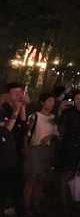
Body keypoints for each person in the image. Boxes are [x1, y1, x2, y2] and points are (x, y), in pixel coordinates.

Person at [23, 92, 59, 215]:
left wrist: (50, 136)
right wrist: (26, 149)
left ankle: (36, 204)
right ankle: (27, 207)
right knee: (31, 179)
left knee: (41, 180)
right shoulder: (35, 116)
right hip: (35, 149)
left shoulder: (54, 118)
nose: (52, 104)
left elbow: (57, 134)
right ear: (42, 102)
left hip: (47, 151)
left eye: (53, 101)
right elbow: (27, 133)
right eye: (49, 101)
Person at [0, 83, 29, 215]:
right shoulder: (4, 108)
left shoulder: (17, 106)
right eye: (15, 93)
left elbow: (23, 127)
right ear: (8, 95)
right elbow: (5, 131)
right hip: (4, 154)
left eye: (20, 93)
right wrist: (16, 110)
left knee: (18, 183)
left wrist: (22, 107)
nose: (18, 96)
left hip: (16, 152)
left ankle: (16, 209)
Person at [59, 90, 80, 171]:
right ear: (73, 99)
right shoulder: (68, 112)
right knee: (67, 169)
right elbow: (61, 123)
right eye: (77, 98)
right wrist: (61, 110)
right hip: (68, 143)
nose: (79, 100)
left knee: (78, 169)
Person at [0, 103, 18, 214]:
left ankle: (6, 206)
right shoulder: (5, 131)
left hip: (8, 166)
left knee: (5, 188)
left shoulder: (5, 131)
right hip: (5, 166)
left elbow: (10, 124)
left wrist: (17, 109)